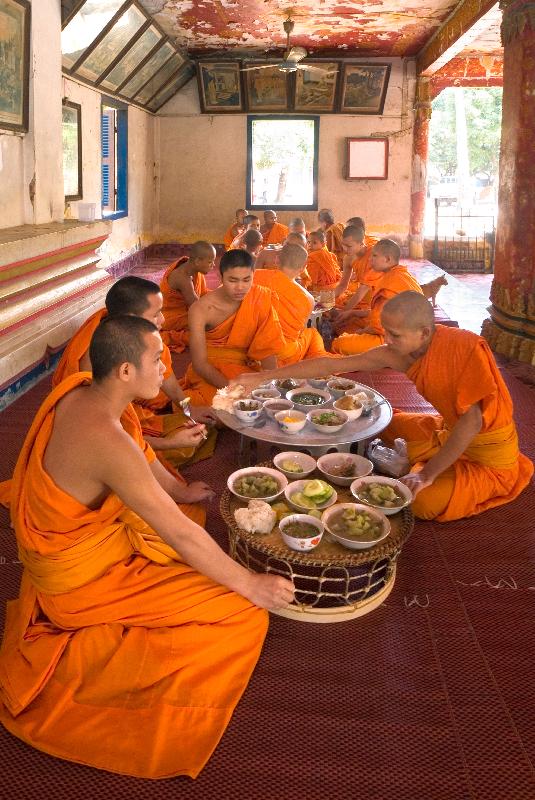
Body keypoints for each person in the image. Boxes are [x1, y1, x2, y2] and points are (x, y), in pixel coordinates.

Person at [0, 315, 294, 780]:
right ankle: (93, 667)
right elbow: (177, 530)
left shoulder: (82, 391)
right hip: (82, 586)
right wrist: (250, 584)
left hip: (84, 551)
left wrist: (178, 495)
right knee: (241, 611)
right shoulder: (106, 438)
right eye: (157, 359)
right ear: (123, 372)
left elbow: (144, 459)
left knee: (185, 537)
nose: (166, 366)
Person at [232, 291, 533, 522]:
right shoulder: (397, 353)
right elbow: (331, 364)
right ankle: (420, 459)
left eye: (395, 335)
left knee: (418, 502)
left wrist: (426, 475)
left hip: (487, 457)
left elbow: (472, 422)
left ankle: (425, 467)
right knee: (387, 424)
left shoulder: (464, 348)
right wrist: (263, 376)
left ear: (424, 333)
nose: (386, 340)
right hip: (449, 430)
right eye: (385, 331)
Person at [52, 276, 216, 474]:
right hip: (96, 433)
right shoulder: (97, 356)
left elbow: (167, 378)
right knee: (184, 445)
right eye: (156, 314)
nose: (163, 320)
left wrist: (190, 409)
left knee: (199, 428)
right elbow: (106, 435)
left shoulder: (141, 335)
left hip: (127, 411)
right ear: (131, 317)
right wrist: (168, 443)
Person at [180, 249, 285, 405]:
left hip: (247, 367)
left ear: (253, 276)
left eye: (246, 280)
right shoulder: (200, 309)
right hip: (212, 370)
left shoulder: (260, 297)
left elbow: (267, 348)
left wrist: (270, 386)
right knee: (215, 405)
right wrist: (233, 391)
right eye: (233, 280)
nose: (240, 287)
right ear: (220, 277)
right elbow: (200, 364)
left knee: (272, 395)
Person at [331, 239, 423, 353]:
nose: (370, 259)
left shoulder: (390, 281)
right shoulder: (401, 274)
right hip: (403, 329)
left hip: (397, 339)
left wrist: (361, 332)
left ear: (388, 259)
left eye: (374, 256)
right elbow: (383, 314)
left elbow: (378, 327)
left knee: (339, 344)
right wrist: (352, 312)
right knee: (349, 322)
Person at [253, 243, 334, 366]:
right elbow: (299, 331)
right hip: (286, 353)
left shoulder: (254, 276)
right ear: (303, 268)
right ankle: (319, 363)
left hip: (253, 347)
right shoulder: (308, 299)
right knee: (313, 333)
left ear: (276, 259)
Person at [160, 241, 215, 353]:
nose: (213, 265)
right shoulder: (182, 277)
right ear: (198, 261)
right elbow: (196, 307)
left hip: (185, 310)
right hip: (171, 317)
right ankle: (168, 336)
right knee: (212, 328)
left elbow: (202, 294)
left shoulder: (192, 267)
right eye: (210, 262)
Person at [334, 221, 379, 309]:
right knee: (330, 308)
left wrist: (344, 312)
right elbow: (342, 286)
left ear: (362, 244)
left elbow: (363, 289)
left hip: (377, 298)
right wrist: (325, 298)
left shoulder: (373, 257)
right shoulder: (348, 258)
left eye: (349, 246)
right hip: (361, 298)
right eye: (343, 245)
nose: (345, 249)